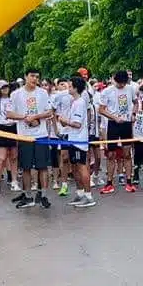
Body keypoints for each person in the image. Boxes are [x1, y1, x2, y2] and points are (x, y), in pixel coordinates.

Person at [5, 69, 53, 210]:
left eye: (37, 77)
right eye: (32, 76)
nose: (34, 79)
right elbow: (9, 113)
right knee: (26, 167)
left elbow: (49, 112)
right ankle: (27, 195)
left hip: (41, 134)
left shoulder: (42, 93)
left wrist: (36, 117)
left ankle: (43, 195)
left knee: (42, 166)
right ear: (26, 77)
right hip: (24, 135)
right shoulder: (16, 94)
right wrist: (25, 117)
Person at [97, 70, 138, 194]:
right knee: (111, 154)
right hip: (113, 124)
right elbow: (101, 110)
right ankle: (109, 182)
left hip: (126, 123)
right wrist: (114, 117)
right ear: (115, 80)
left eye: (123, 83)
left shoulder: (130, 89)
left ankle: (129, 181)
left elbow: (136, 102)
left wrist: (133, 114)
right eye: (119, 83)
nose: (121, 85)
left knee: (127, 153)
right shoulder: (107, 91)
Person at [60, 75, 96, 207]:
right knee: (74, 167)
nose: (68, 88)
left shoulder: (80, 102)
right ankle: (80, 193)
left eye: (70, 86)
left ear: (76, 88)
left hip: (79, 140)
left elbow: (77, 124)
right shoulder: (74, 102)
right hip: (72, 138)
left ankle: (88, 196)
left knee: (81, 167)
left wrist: (65, 121)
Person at [0, 81, 19, 193]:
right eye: (2, 87)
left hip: (13, 127)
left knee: (14, 157)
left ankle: (14, 181)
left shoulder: (13, 98)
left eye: (6, 86)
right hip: (1, 128)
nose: (5, 89)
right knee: (2, 158)